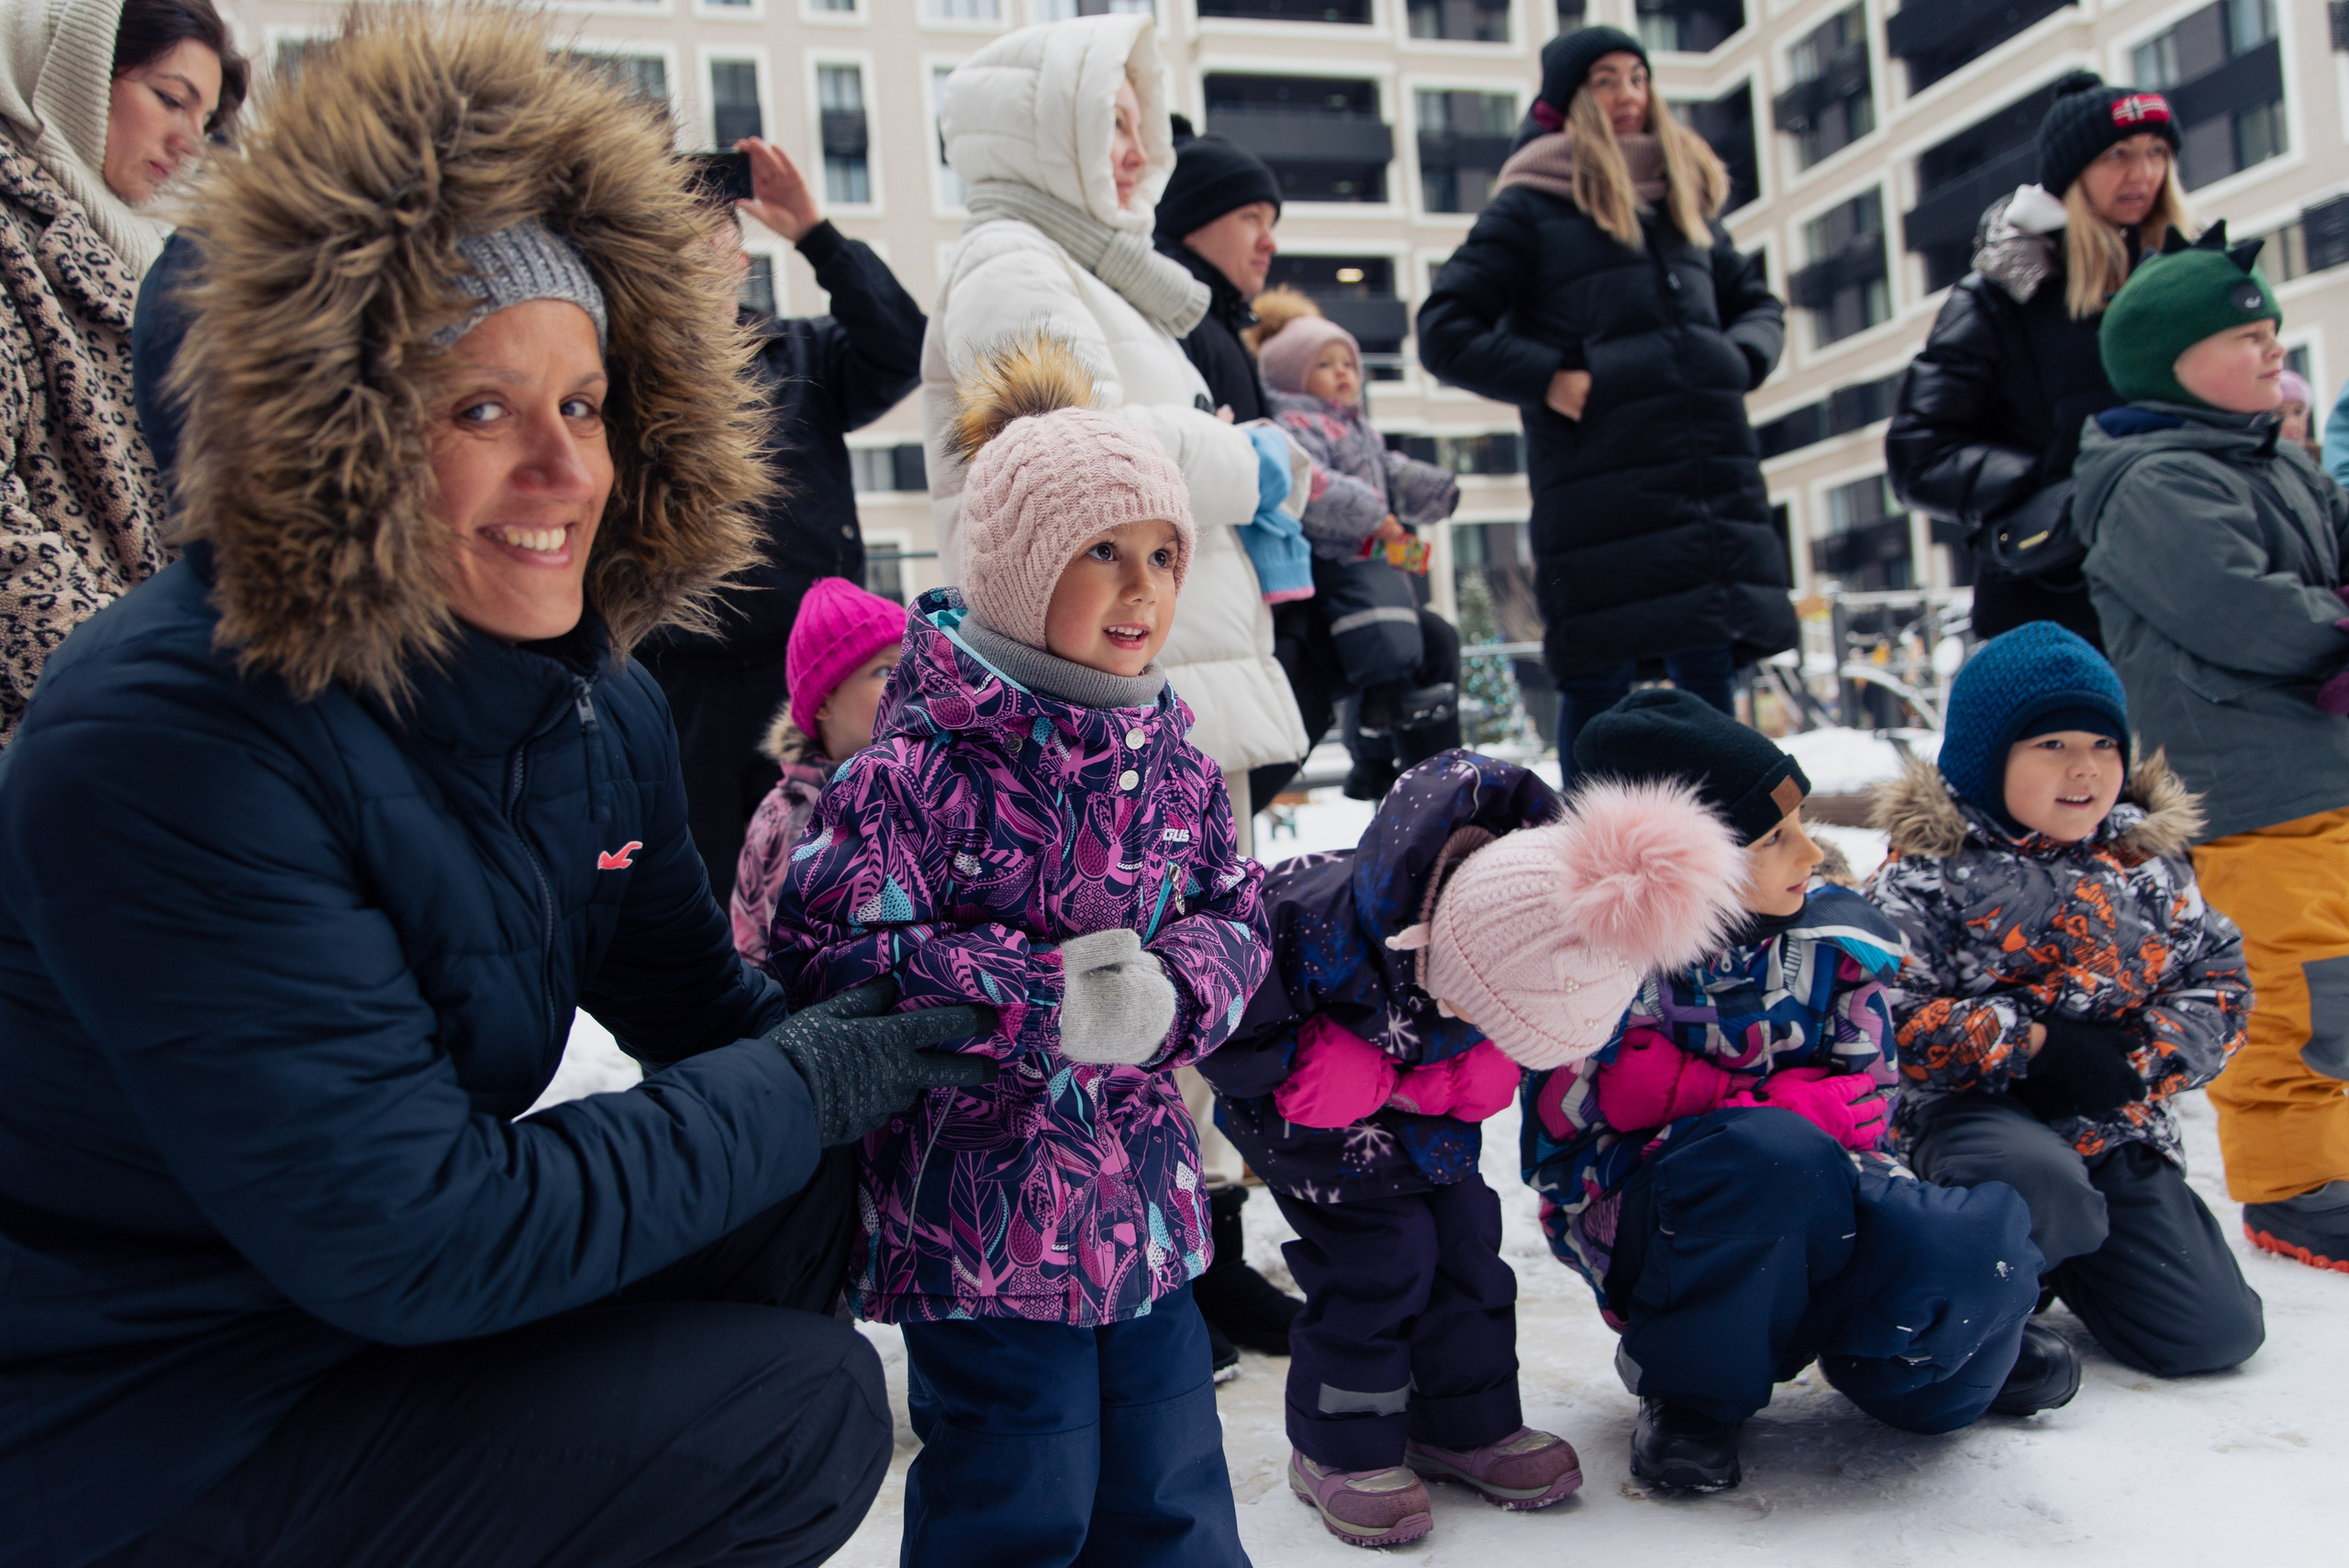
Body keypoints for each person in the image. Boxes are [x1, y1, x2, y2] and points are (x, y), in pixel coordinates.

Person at [0, 15, 993, 1566]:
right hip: (142, 1407)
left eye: (584, 403)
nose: (564, 470)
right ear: (328, 442)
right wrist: (799, 1085)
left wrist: (957, 1022)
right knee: (793, 1405)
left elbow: (708, 1012)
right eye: (479, 408)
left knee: (793, 1189)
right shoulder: (161, 740)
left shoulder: (593, 709)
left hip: (346, 1312)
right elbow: (422, 1229)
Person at [769, 336, 1265, 1568]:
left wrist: (1174, 989)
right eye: (1102, 552)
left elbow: (1236, 918)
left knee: (1170, 1470)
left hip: (1144, 1203)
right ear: (1015, 569)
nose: (1142, 584)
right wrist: (1043, 999)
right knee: (1020, 1474)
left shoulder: (1181, 764)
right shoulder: (918, 766)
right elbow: (834, 947)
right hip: (981, 1219)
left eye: (1162, 553)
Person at [1521, 690, 2059, 1496]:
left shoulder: (1836, 946)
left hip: (1824, 1192)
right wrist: (1775, 1114)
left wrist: (1701, 1098)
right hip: (1659, 1228)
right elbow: (1569, 1142)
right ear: (1681, 862)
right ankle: (1692, 1391)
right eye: (1777, 836)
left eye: (1801, 822)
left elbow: (1868, 1104)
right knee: (1768, 1160)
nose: (1812, 852)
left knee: (1966, 1246)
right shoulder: (1597, 969)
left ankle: (1937, 1355)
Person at [1203, 750, 1742, 1545]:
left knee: (1465, 1246)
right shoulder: (1310, 914)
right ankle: (1337, 1444)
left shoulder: (1549, 920)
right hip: (1315, 1123)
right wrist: (1294, 1063)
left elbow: (1513, 1001)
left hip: (1431, 1113)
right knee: (1382, 1259)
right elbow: (1212, 1011)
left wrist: (1477, 1056)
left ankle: (1464, 1421)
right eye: (1484, 1017)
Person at [927, 13, 1308, 858]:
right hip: (1090, 700)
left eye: (1142, 126)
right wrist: (1247, 459)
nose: (1140, 154)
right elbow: (1083, 457)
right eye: (1111, 124)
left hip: (1147, 682)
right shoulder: (1011, 261)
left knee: (1200, 949)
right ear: (1041, 136)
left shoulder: (1088, 270)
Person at [1866, 624, 2265, 1378]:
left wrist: (2138, 1061)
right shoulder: (1929, 871)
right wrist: (2035, 1046)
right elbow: (1885, 1012)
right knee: (2038, 1178)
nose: (2084, 768)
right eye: (2051, 745)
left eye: (2103, 745)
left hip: (2108, 1116)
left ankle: (2067, 1255)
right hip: (1974, 1120)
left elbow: (2220, 979)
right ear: (1989, 757)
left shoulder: (2144, 860)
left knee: (2214, 1334)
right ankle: (1985, 1287)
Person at [2073, 224, 2349, 1273]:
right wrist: (2336, 625)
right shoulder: (2153, 483)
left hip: (2320, 765)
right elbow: (2241, 611)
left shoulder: (2273, 460)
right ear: (2171, 364)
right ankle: (2295, 1185)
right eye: (2248, 337)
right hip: (2247, 785)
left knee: (2342, 978)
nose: (2274, 348)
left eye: (2276, 330)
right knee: (2293, 988)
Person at [1417, 26, 1788, 773]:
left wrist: (1735, 358)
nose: (1628, 96)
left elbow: (1760, 304)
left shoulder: (1685, 204)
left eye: (1638, 77)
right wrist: (1552, 375)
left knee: (1710, 679)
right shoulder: (1532, 203)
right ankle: (1585, 860)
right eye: (1606, 80)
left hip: (1705, 488)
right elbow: (1444, 328)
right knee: (1597, 682)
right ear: (1571, 102)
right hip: (1601, 496)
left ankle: (1733, 855)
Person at [636, 134, 926, 906]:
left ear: (740, 256)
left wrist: (816, 235)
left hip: (807, 683)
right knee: (702, 899)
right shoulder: (625, 371)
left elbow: (904, 348)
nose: (702, 257)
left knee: (827, 887)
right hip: (682, 687)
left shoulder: (799, 353)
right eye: (678, 244)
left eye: (716, 237)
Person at [1, 0, 244, 745]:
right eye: (169, 98)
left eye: (204, 123)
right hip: (61, 733)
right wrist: (136, 677)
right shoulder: (12, 239)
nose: (187, 141)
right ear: (77, 76)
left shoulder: (164, 261)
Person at [1887, 71, 2190, 650]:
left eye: (2157, 152)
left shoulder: (2186, 279)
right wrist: (2066, 485)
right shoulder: (2000, 295)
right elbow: (1919, 455)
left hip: (2177, 593)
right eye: (2117, 154)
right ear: (2071, 171)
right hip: (2051, 606)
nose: (2143, 173)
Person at [729, 574, 905, 961]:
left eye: (910, 663)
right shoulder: (788, 820)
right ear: (824, 701)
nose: (906, 680)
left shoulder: (932, 788)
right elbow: (756, 947)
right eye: (884, 671)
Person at [2276, 367, 2323, 465]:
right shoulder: (2249, 468)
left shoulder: (2324, 460)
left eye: (2298, 412)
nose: (2293, 423)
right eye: (2278, 413)